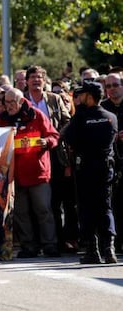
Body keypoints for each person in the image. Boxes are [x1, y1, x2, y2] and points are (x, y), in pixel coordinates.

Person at [0, 88, 60, 258]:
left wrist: (46, 141)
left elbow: (54, 135)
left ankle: (50, 244)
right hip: (14, 176)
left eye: (11, 102)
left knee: (43, 210)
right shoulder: (2, 120)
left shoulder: (37, 115)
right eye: (5, 102)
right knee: (21, 213)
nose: (7, 106)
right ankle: (28, 246)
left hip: (38, 172)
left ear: (20, 101)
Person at [64, 81, 118, 264]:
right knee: (105, 207)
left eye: (83, 95)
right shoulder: (111, 117)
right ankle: (109, 249)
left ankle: (92, 251)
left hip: (86, 168)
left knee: (87, 209)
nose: (79, 98)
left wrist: (78, 114)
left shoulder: (80, 118)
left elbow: (67, 136)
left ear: (90, 96)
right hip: (105, 168)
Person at [24, 65, 72, 253]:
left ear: (45, 81)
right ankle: (33, 243)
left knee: (53, 201)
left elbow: (67, 121)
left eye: (40, 78)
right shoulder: (21, 100)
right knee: (32, 204)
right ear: (26, 81)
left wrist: (55, 137)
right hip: (29, 157)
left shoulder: (54, 99)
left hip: (54, 154)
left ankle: (56, 242)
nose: (36, 81)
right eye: (33, 77)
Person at [100, 72, 123, 254]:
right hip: (111, 162)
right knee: (114, 203)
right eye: (108, 86)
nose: (111, 90)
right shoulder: (103, 108)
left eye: (115, 85)